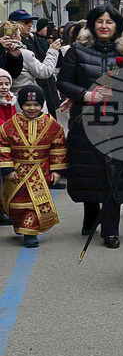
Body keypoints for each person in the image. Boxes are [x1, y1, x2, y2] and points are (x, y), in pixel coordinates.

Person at [57, 6, 123, 249]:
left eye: (109, 22)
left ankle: (111, 229)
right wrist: (86, 95)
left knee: (114, 173)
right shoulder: (76, 52)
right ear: (91, 25)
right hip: (86, 120)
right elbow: (63, 82)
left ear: (118, 27)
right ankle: (91, 214)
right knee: (88, 171)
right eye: (99, 21)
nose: (104, 25)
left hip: (117, 121)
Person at [0, 86, 67, 248]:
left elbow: (58, 147)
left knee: (34, 203)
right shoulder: (10, 125)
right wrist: (7, 169)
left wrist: (57, 171)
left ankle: (30, 233)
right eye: (27, 104)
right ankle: (20, 225)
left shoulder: (51, 124)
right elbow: (3, 146)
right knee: (16, 203)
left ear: (41, 105)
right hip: (17, 171)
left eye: (36, 104)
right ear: (21, 105)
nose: (32, 108)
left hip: (40, 171)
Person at [9, 9, 60, 113]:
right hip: (26, 98)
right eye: (25, 22)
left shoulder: (38, 40)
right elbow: (44, 72)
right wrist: (53, 51)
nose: (30, 25)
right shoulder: (18, 50)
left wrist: (54, 47)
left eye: (31, 22)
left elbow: (57, 63)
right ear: (13, 25)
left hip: (47, 91)